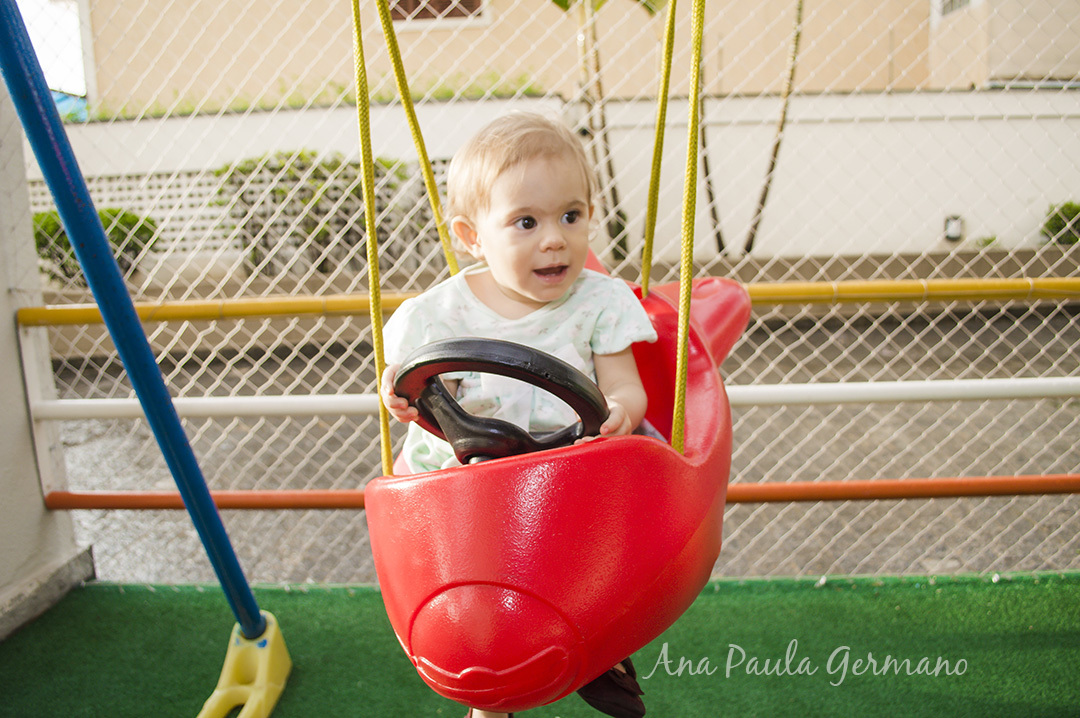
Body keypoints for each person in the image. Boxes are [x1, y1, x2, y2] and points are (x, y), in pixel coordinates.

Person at [378, 112, 653, 718]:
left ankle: (596, 637)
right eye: (526, 222)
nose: (554, 238)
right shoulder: (433, 315)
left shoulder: (600, 301)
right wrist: (396, 399)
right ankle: (491, 696)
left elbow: (626, 388)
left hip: (559, 477)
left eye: (571, 216)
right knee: (482, 618)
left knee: (631, 481)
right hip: (458, 490)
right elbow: (406, 390)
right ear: (472, 235)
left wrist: (621, 413)